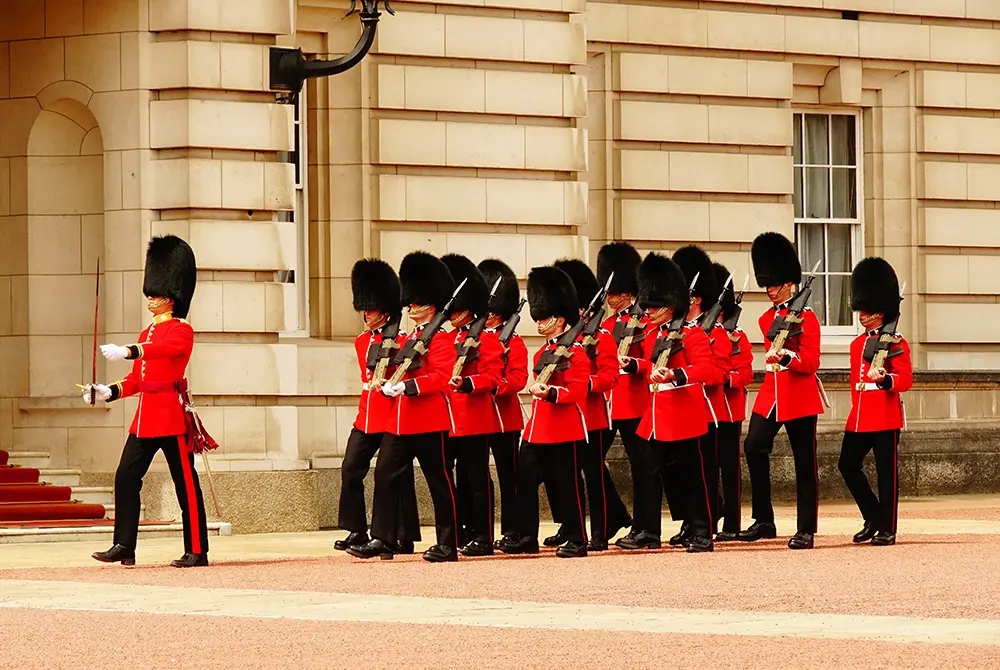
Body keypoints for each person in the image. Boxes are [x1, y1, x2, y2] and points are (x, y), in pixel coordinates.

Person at [85, 235, 209, 568]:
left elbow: (162, 352)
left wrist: (129, 351)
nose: (151, 297)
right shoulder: (146, 333)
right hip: (146, 418)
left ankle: (197, 549)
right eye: (150, 291)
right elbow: (137, 381)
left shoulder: (182, 331)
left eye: (156, 292)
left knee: (185, 485)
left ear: (171, 296)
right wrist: (107, 390)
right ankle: (124, 543)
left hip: (170, 416)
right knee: (126, 476)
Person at [349, 251, 461, 563]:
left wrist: (408, 386)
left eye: (416, 302)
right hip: (400, 421)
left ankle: (448, 543)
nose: (411, 307)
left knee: (439, 481)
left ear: (431, 304)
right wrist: (387, 381)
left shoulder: (440, 339)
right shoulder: (408, 337)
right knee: (385, 475)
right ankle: (383, 537)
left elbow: (441, 377)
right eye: (409, 302)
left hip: (429, 420)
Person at [619, 252, 717, 553]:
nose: (647, 312)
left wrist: (677, 374)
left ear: (670, 306)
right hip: (656, 416)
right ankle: (647, 530)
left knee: (693, 476)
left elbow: (708, 370)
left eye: (653, 307)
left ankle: (701, 532)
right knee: (646, 471)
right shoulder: (653, 334)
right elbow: (651, 368)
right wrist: (634, 366)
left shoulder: (693, 334)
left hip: (684, 415)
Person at [738, 232, 823, 550]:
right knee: (754, 445)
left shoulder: (808, 319)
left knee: (805, 462)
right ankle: (764, 519)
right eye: (767, 285)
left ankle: (806, 528)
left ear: (789, 283)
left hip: (799, 393)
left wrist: (788, 355)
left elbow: (811, 362)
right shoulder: (766, 319)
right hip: (772, 394)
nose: (770, 290)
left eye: (775, 285)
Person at [499, 266, 589, 558]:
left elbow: (578, 389)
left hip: (564, 429)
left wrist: (552, 393)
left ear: (560, 318)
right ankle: (527, 535)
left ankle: (577, 538)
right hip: (537, 431)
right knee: (523, 482)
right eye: (537, 318)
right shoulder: (541, 353)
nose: (539, 323)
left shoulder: (577, 352)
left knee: (567, 485)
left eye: (544, 318)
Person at [334, 258, 421, 555]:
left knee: (395, 475)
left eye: (369, 309)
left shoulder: (402, 339)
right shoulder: (361, 341)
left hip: (393, 414)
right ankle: (356, 529)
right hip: (367, 415)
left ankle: (402, 535)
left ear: (384, 310)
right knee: (351, 468)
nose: (365, 314)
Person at [552, 259, 631, 551]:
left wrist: (586, 384)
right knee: (568, 475)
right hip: (568, 414)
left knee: (594, 474)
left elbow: (610, 378)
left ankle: (599, 530)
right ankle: (572, 526)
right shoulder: (564, 341)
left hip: (594, 415)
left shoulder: (601, 336)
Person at [839, 257, 912, 546]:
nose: (861, 314)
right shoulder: (857, 344)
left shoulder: (896, 342)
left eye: (866, 311)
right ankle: (872, 516)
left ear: (880, 312)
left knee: (886, 474)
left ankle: (888, 528)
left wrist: (885, 379)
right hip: (860, 415)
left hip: (884, 414)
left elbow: (905, 379)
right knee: (847, 464)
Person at [440, 253, 504, 557]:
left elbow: (492, 377)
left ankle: (483, 536)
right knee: (458, 480)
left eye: (458, 310)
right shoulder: (446, 339)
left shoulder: (487, 340)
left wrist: (467, 384)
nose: (453, 314)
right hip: (449, 418)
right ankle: (464, 529)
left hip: (475, 417)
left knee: (477, 479)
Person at [668, 245, 728, 547]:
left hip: (707, 410)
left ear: (696, 298)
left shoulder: (710, 332)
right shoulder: (677, 331)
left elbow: (715, 373)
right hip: (681, 410)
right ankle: (691, 522)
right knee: (680, 473)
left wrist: (683, 375)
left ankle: (703, 528)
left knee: (702, 474)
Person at [596, 242, 651, 548]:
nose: (612, 297)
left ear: (629, 290)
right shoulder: (604, 325)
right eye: (609, 292)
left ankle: (643, 528)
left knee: (641, 467)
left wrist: (633, 365)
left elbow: (653, 360)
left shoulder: (642, 322)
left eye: (616, 292)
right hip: (608, 405)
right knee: (589, 461)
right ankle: (610, 517)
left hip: (634, 402)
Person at [477, 258, 528, 550]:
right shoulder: (476, 340)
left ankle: (512, 530)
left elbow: (519, 378)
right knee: (479, 476)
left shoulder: (515, 343)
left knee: (510, 478)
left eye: (495, 312)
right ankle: (479, 528)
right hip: (480, 417)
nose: (491, 317)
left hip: (505, 418)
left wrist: (498, 386)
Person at [712, 261, 754, 542]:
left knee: (729, 468)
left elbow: (746, 372)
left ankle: (732, 522)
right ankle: (711, 513)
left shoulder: (737, 337)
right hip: (704, 409)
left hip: (728, 409)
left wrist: (726, 378)